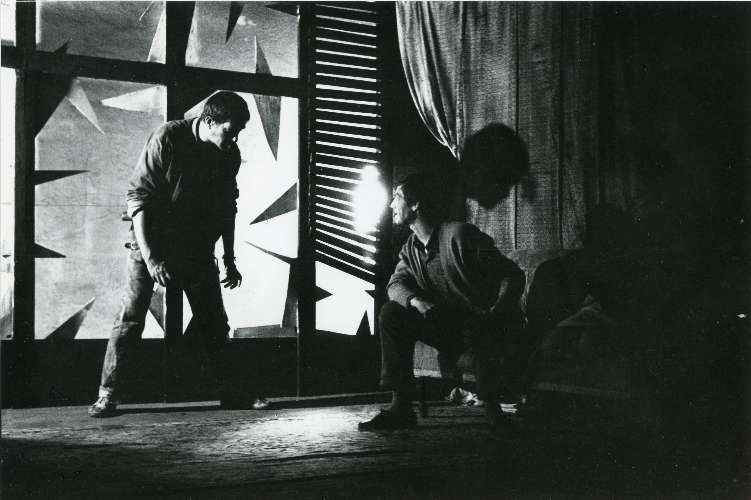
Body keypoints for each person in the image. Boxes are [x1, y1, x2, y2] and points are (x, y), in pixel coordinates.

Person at [89, 91, 251, 418]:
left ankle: (231, 392)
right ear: (209, 121)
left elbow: (226, 208)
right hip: (151, 239)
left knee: (214, 320)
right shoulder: (167, 138)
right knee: (131, 316)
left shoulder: (228, 154)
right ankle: (107, 395)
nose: (234, 139)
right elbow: (139, 199)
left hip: (195, 244)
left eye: (238, 132)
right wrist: (151, 259)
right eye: (229, 131)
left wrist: (229, 258)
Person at [359, 173, 524, 430]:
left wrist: (497, 311)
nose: (391, 205)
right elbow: (394, 285)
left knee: (482, 329)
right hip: (449, 325)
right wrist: (416, 301)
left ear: (415, 204)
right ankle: (401, 407)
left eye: (397, 197)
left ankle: (495, 413)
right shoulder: (411, 248)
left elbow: (511, 275)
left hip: (484, 323)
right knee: (391, 313)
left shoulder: (460, 236)